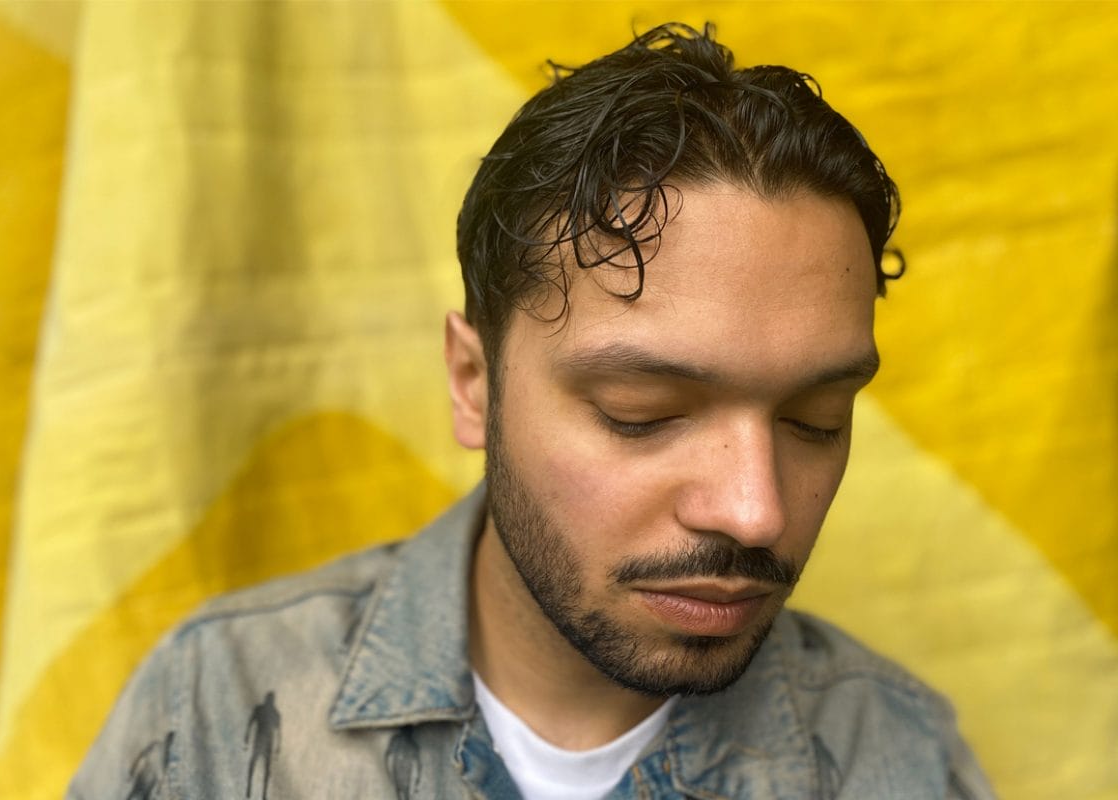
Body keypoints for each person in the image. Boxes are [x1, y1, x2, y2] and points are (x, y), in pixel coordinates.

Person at [69, 22, 994, 799]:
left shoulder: (898, 757)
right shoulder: (216, 713)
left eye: (816, 420)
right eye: (642, 413)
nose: (756, 511)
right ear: (475, 384)